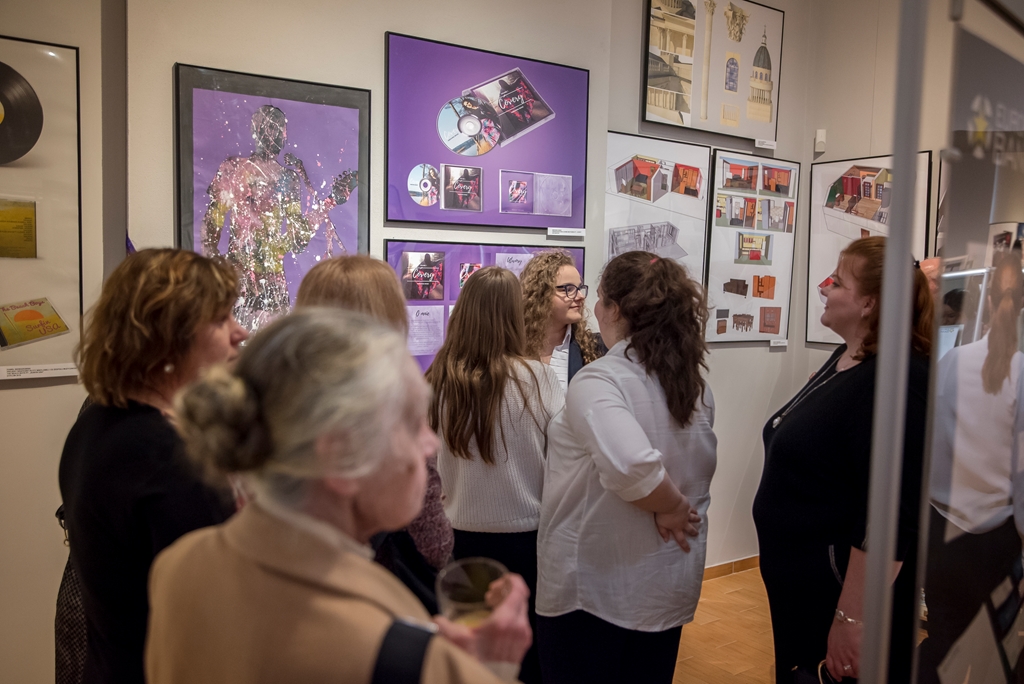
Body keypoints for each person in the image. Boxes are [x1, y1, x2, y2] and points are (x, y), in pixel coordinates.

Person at [147, 309, 532, 684]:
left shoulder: (178, 565)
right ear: (341, 455)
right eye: (413, 422)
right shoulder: (393, 647)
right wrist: (488, 669)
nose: (430, 444)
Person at [58, 249, 247, 684]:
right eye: (221, 319)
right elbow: (219, 615)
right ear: (170, 337)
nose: (240, 332)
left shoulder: (97, 422)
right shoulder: (165, 458)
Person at [753, 236, 931, 683]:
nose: (825, 288)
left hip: (838, 590)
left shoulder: (900, 378)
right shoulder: (848, 357)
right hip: (802, 585)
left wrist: (852, 619)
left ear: (868, 303)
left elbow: (890, 517)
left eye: (836, 281)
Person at [536, 252, 717, 684]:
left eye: (599, 298)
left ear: (616, 309)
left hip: (596, 589)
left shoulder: (600, 379)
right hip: (663, 581)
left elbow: (633, 466)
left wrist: (671, 506)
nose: (593, 309)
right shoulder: (692, 383)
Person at [295, 255, 454, 612]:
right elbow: (434, 544)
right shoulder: (390, 405)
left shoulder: (282, 400)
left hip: (294, 591)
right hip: (376, 601)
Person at [427, 266, 563, 684]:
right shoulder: (540, 379)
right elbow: (564, 459)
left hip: (458, 539)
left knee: (469, 654)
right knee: (525, 654)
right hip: (529, 541)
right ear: (514, 317)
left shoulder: (436, 382)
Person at [919, 250, 1024, 682]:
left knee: (943, 639)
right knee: (995, 656)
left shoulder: (951, 362)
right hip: (996, 542)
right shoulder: (1021, 371)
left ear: (985, 298)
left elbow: (929, 449)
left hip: (941, 533)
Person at [203, 104, 358, 333]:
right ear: (255, 130)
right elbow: (210, 230)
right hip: (238, 288)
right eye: (270, 127)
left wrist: (331, 201)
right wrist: (219, 271)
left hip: (273, 293)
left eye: (280, 129)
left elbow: (297, 240)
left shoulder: (288, 179)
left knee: (272, 352)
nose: (277, 134)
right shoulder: (233, 169)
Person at [519, 250, 602, 392]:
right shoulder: (512, 346)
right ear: (540, 293)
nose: (580, 296)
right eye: (568, 289)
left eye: (579, 288)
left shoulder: (594, 349)